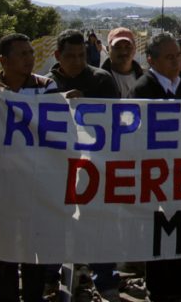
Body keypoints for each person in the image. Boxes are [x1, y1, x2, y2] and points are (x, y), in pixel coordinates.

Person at [46, 30, 120, 302]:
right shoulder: (46, 85)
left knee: (98, 221)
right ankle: (50, 276)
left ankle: (105, 279)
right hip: (55, 167)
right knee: (54, 219)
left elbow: (115, 123)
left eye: (81, 55)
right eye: (70, 56)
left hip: (94, 166)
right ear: (57, 56)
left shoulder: (102, 80)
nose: (76, 61)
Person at [129, 34, 181, 301]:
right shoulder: (142, 90)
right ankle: (159, 287)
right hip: (155, 174)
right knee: (158, 230)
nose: (176, 62)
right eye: (170, 57)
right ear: (152, 59)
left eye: (178, 56)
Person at [0, 33, 57, 302]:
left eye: (30, 53)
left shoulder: (46, 87)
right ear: (3, 60)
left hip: (35, 187)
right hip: (0, 188)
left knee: (33, 251)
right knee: (2, 256)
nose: (30, 58)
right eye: (22, 54)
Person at [101, 27, 144, 97]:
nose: (123, 52)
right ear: (108, 49)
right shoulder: (97, 81)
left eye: (127, 47)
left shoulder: (146, 81)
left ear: (135, 48)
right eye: (117, 47)